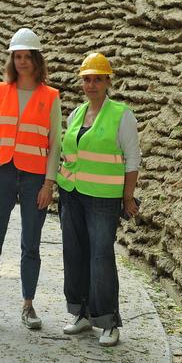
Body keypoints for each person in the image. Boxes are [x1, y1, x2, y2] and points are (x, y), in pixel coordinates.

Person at [0, 28, 62, 329]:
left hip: (34, 177)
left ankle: (28, 306)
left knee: (31, 244)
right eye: (17, 56)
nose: (22, 61)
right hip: (1, 172)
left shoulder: (51, 96)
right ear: (12, 59)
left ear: (37, 60)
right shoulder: (1, 91)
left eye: (28, 56)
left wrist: (49, 183)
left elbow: (55, 144)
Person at [56, 52, 140, 347]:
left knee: (101, 257)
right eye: (87, 79)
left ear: (108, 82)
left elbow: (132, 160)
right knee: (74, 253)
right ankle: (80, 313)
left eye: (97, 79)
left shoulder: (121, 114)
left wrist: (127, 197)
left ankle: (107, 320)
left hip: (103, 199)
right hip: (73, 194)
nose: (91, 84)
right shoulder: (76, 114)